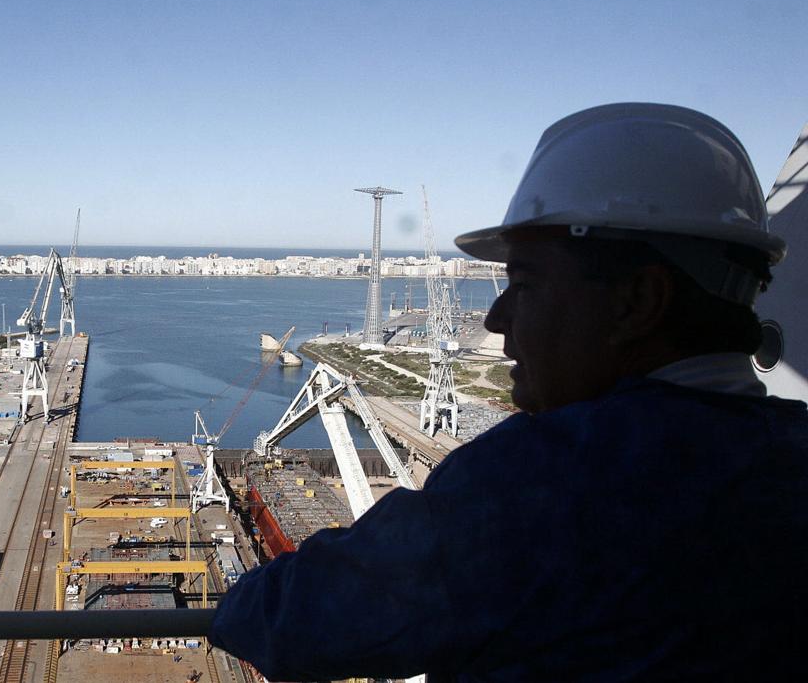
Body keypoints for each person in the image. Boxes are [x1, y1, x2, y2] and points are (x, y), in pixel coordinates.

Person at [208, 103, 808, 681]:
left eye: (524, 283)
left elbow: (301, 621)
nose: (496, 319)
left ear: (638, 302)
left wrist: (237, 602)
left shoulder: (547, 482)